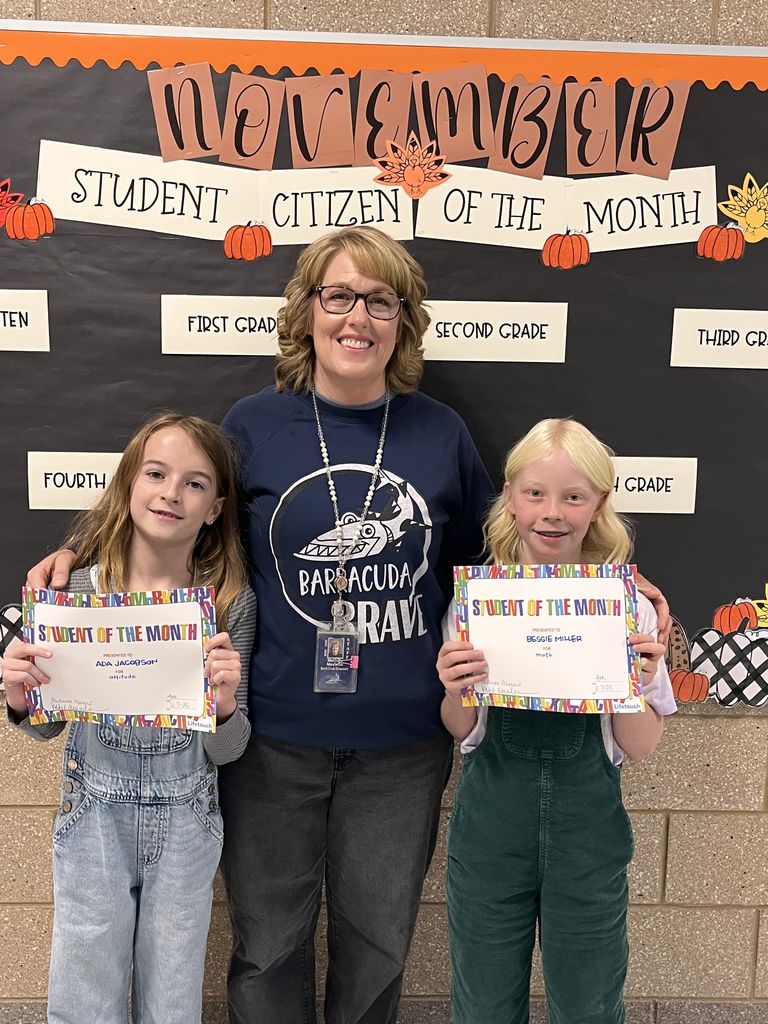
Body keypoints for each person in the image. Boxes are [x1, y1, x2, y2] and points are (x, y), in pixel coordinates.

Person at [23, 228, 670, 1024]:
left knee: (378, 948)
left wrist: (616, 587)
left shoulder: (440, 433)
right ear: (307, 312)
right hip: (272, 743)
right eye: (338, 296)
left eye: (380, 300)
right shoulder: (254, 424)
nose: (356, 316)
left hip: (401, 747)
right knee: (266, 947)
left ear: (402, 320)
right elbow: (177, 512)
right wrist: (76, 551)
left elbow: (508, 558)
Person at [2, 412, 257, 1024]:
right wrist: (17, 695)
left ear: (217, 507)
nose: (172, 493)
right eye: (156, 474)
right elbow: (45, 725)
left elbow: (232, 748)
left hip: (188, 818)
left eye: (195, 483)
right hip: (92, 815)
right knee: (83, 992)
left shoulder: (227, 603)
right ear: (128, 485)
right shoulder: (77, 594)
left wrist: (223, 707)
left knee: (172, 999)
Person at [437, 417, 677, 1024]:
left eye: (574, 496)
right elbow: (461, 732)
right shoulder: (478, 601)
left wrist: (635, 683)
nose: (553, 512)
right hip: (490, 834)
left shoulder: (628, 607)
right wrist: (456, 686)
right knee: (484, 1004)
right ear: (511, 497)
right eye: (536, 493)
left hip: (588, 838)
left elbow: (642, 746)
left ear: (599, 505)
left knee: (589, 1005)